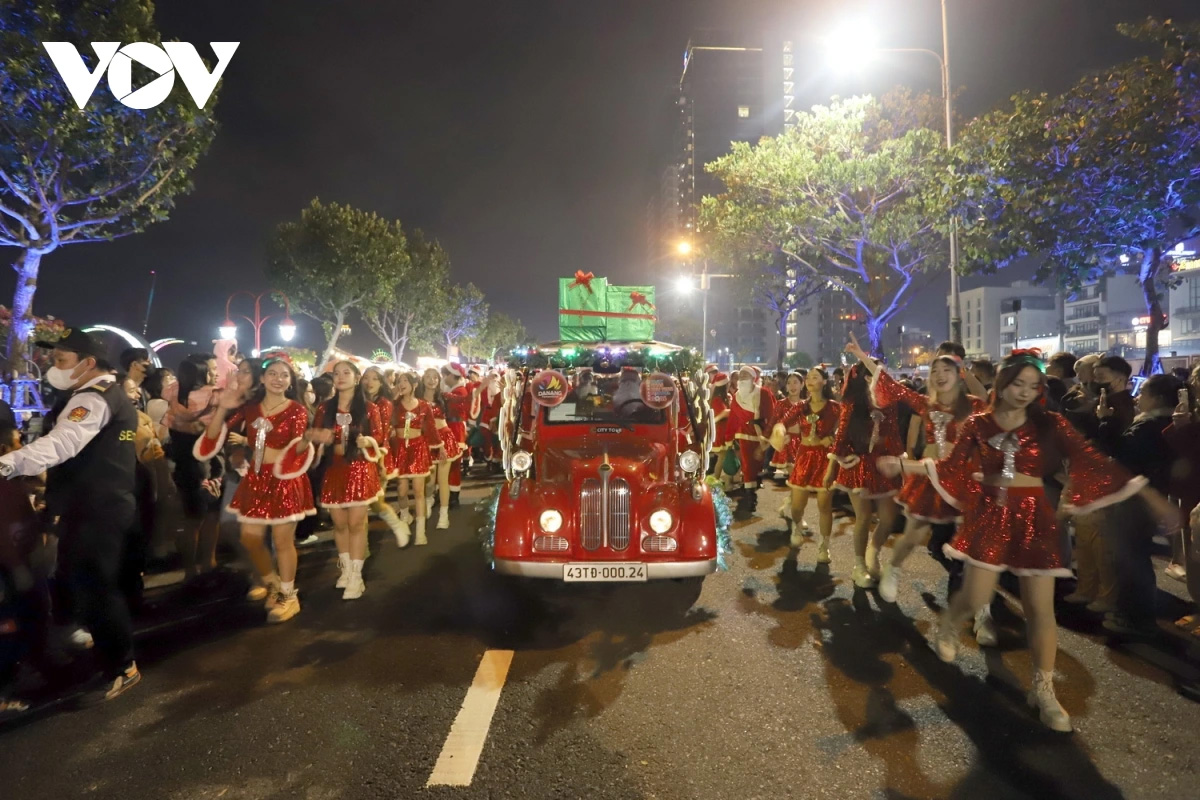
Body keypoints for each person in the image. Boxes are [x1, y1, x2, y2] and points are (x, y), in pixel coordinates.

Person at [877, 350, 1180, 732]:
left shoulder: (1049, 422)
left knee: (1040, 609)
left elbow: (1091, 458)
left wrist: (1151, 498)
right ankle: (951, 623)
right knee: (975, 595)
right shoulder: (979, 423)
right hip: (990, 516)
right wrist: (903, 464)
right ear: (1003, 383)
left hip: (1034, 518)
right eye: (1017, 383)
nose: (1024, 391)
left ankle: (1044, 690)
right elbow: (951, 467)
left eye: (1032, 385)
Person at [0, 329, 141, 704]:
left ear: (88, 363)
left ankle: (122, 667)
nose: (53, 365)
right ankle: (104, 656)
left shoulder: (94, 399)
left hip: (98, 509)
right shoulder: (100, 394)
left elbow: (62, 444)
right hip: (96, 506)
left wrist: (7, 464)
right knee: (83, 582)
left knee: (98, 587)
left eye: (61, 359)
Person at [849, 340, 987, 617]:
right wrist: (862, 355)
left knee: (976, 544)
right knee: (914, 533)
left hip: (964, 478)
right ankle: (893, 569)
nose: (940, 375)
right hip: (930, 474)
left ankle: (983, 612)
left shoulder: (974, 405)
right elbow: (893, 386)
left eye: (947, 370)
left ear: (959, 374)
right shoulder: (926, 404)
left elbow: (989, 404)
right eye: (935, 370)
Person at [194, 354, 316, 623]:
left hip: (285, 479)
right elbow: (214, 435)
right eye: (272, 374)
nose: (278, 379)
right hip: (256, 479)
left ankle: (288, 596)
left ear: (290, 381)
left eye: (284, 375)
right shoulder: (250, 408)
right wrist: (223, 408)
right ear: (262, 378)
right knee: (249, 537)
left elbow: (294, 449)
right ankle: (273, 583)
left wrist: (307, 440)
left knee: (282, 541)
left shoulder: (296, 410)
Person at [1095, 373, 1182, 637]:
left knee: (1130, 559)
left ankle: (1134, 618)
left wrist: (1105, 421)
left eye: (1143, 392)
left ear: (1156, 398)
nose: (1137, 397)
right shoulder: (1174, 422)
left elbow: (1120, 455)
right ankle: (1137, 615)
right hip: (1154, 495)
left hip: (1136, 498)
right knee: (1137, 556)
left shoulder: (1147, 426)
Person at [824, 351, 902, 586]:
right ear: (868, 377)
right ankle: (859, 567)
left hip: (884, 464)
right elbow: (841, 436)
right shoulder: (852, 403)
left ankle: (873, 552)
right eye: (880, 374)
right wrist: (831, 469)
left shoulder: (889, 403)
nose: (885, 378)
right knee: (864, 516)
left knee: (888, 518)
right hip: (857, 465)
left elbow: (894, 434)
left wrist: (900, 462)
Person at [313, 362, 385, 600]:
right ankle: (345, 569)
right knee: (340, 523)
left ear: (357, 378)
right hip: (334, 469)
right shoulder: (325, 408)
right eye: (336, 373)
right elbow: (315, 436)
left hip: (359, 468)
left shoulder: (369, 408)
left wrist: (368, 442)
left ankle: (356, 576)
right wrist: (318, 438)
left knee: (356, 523)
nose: (340, 377)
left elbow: (380, 437)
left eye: (346, 373)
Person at [165, 356, 223, 588]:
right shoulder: (212, 396)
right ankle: (209, 563)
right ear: (201, 374)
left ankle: (190, 570)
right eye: (211, 370)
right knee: (210, 515)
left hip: (185, 463)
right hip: (208, 460)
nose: (216, 374)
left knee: (191, 519)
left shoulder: (173, 395)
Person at [770, 368, 840, 556]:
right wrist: (780, 432)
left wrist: (832, 438)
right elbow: (783, 422)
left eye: (815, 377)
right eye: (808, 377)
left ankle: (824, 546)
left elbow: (844, 429)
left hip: (825, 459)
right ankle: (796, 526)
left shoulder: (834, 407)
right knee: (797, 505)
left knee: (824, 506)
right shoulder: (801, 406)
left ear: (824, 382)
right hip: (804, 457)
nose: (809, 380)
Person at [388, 372, 443, 546]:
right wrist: (393, 400)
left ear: (414, 384)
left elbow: (431, 428)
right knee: (402, 491)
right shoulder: (394, 405)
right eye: (399, 381)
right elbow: (384, 422)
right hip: (399, 449)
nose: (401, 384)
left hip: (418, 448)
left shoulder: (424, 406)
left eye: (405, 381)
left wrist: (440, 446)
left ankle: (420, 532)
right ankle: (405, 516)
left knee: (419, 491)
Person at [725, 367, 776, 511]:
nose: (742, 377)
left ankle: (754, 482)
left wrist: (769, 433)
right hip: (744, 434)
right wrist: (729, 437)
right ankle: (750, 497)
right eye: (740, 375)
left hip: (761, 434)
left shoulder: (763, 393)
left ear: (754, 378)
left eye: (745, 375)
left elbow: (772, 414)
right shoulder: (736, 396)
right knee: (747, 465)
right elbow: (733, 418)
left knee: (757, 464)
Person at [418, 367, 460, 530]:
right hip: (426, 440)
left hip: (444, 439)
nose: (431, 380)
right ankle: (429, 499)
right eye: (428, 377)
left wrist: (482, 386)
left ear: (438, 380)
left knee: (443, 480)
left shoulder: (444, 397)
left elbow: (464, 400)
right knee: (429, 482)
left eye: (435, 377)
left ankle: (444, 514)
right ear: (423, 379)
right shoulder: (417, 400)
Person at [769, 372, 805, 480]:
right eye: (789, 383)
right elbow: (773, 422)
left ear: (802, 384)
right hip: (787, 442)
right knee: (793, 476)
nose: (792, 386)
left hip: (804, 443)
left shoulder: (807, 404)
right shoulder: (781, 404)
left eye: (795, 382)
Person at [119, 348, 152, 412]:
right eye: (147, 362)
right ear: (134, 364)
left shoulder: (146, 390)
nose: (150, 365)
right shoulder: (120, 387)